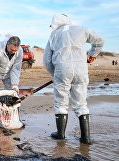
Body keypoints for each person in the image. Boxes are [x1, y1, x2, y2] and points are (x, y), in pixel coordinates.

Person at [43, 14, 104, 144]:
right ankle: (85, 138)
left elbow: (47, 60)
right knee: (81, 103)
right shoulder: (82, 29)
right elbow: (99, 41)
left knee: (61, 102)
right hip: (81, 69)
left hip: (62, 69)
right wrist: (92, 55)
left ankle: (60, 135)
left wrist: (55, 74)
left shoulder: (53, 35)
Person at [0, 36, 25, 127]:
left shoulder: (20, 51)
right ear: (7, 44)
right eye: (11, 49)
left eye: (15, 50)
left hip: (9, 73)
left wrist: (15, 84)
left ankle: (15, 118)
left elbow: (16, 69)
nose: (13, 52)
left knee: (13, 94)